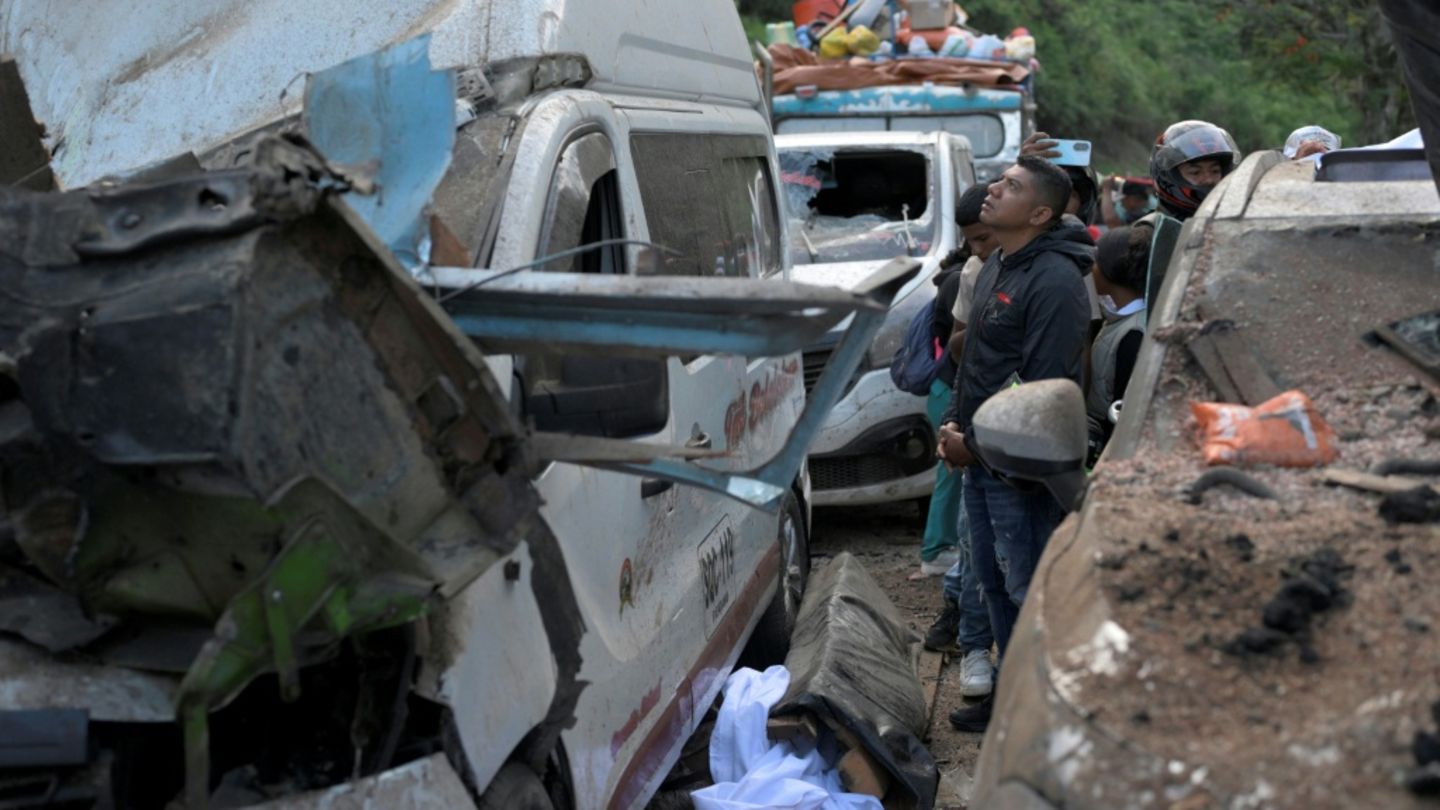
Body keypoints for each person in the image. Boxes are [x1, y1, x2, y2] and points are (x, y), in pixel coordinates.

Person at [937, 156, 1092, 732]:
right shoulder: (1000, 262)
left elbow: (1042, 386)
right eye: (999, 180)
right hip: (983, 457)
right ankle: (1013, 699)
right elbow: (978, 361)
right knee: (995, 581)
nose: (993, 189)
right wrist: (953, 425)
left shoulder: (1053, 280)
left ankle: (1048, 718)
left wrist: (972, 446)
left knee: (1029, 587)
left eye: (1011, 186)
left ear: (1041, 213)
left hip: (1021, 468)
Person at [921, 186, 997, 701]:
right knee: (974, 542)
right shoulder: (975, 273)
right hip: (973, 422)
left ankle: (981, 644)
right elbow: (961, 356)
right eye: (973, 240)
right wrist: (955, 424)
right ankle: (969, 639)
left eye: (984, 239)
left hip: (1010, 430)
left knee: (990, 553)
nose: (979, 250)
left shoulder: (1051, 272)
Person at [1086, 225, 1150, 465]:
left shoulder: (1133, 333)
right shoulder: (1116, 317)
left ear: (1110, 271)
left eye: (1095, 261)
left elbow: (1121, 409)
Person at [1149, 120, 1240, 221]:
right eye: (1195, 172)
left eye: (1215, 171)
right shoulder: (1151, 232)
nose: (1208, 180)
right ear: (1168, 176)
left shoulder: (1229, 220)